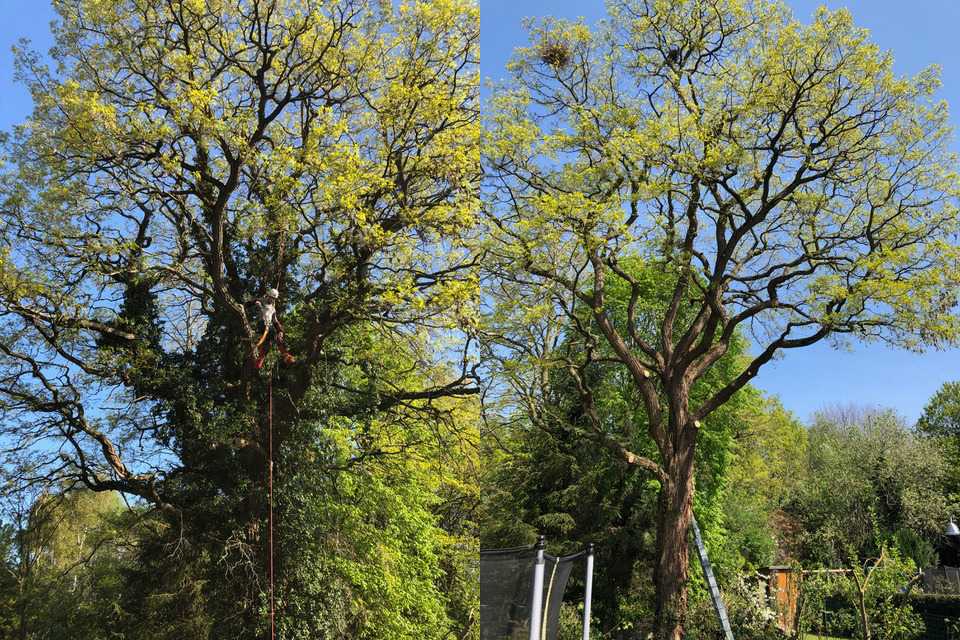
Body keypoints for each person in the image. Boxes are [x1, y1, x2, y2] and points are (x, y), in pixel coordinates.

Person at [254, 288, 295, 369]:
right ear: (268, 295)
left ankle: (259, 361)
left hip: (268, 326)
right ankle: (286, 356)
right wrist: (257, 304)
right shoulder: (262, 300)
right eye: (271, 297)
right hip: (262, 324)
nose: (272, 300)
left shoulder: (273, 308)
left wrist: (280, 330)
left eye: (274, 299)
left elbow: (275, 321)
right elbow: (252, 302)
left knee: (268, 344)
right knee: (275, 336)